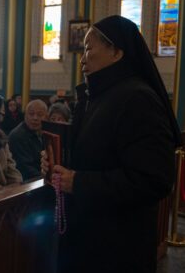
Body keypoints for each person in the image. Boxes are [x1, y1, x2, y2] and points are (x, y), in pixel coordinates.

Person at [42, 15, 181, 273]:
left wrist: (79, 182)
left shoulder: (138, 99)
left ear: (117, 52)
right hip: (86, 242)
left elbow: (154, 179)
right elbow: (90, 158)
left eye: (88, 48)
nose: (82, 59)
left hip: (117, 249)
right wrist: (56, 164)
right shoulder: (94, 97)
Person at [8, 100, 48, 181]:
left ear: (46, 117)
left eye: (40, 115)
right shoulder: (17, 136)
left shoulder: (45, 132)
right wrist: (46, 180)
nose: (35, 118)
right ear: (25, 115)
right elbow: (25, 168)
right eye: (31, 114)